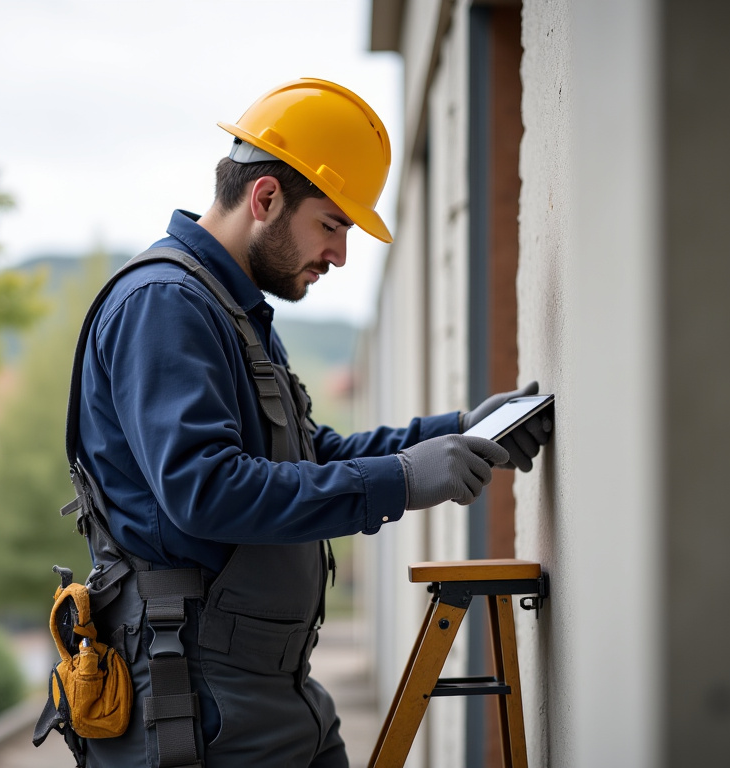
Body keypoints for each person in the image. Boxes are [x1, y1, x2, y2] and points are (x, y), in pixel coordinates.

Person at [62, 78, 551, 768]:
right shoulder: (165, 305)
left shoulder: (230, 310)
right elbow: (208, 492)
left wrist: (461, 431)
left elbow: (308, 455)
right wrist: (402, 481)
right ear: (265, 199)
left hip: (267, 686)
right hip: (196, 697)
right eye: (332, 224)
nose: (341, 255)